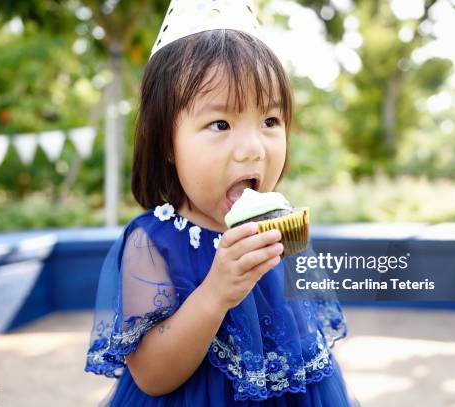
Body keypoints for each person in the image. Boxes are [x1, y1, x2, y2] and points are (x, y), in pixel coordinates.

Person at [85, 1, 356, 405]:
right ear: (167, 144)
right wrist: (216, 293)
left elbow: (304, 344)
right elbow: (153, 376)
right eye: (220, 124)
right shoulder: (150, 243)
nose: (252, 150)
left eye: (270, 121)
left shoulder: (277, 230)